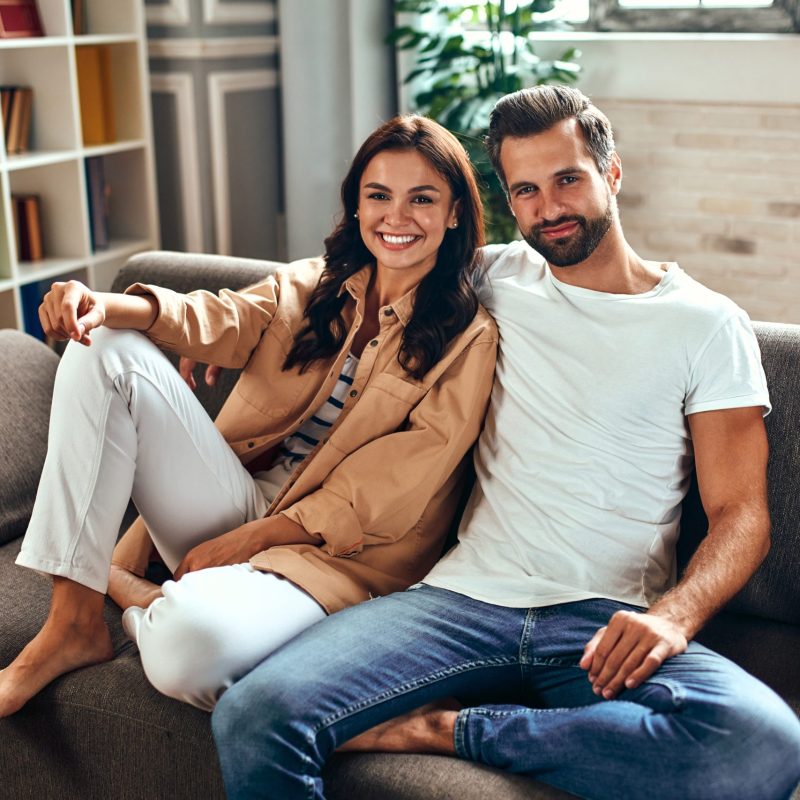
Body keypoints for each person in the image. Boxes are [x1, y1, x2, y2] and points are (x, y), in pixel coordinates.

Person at [209, 86, 800, 800]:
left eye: (567, 179)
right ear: (506, 200)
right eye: (525, 190)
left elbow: (742, 517)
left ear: (612, 173)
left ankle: (450, 730)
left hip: (597, 620)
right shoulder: (486, 278)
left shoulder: (706, 325)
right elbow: (347, 282)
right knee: (253, 715)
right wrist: (223, 336)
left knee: (761, 742)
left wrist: (671, 617)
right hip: (456, 602)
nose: (548, 207)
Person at [0, 115, 498, 717]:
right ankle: (73, 622)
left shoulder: (469, 339)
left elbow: (387, 491)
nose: (397, 217)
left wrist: (248, 540)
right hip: (237, 499)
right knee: (101, 344)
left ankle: (126, 588)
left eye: (422, 199)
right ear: (356, 206)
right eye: (378, 196)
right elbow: (222, 317)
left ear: (453, 213)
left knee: (188, 656)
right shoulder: (317, 284)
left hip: (334, 559)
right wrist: (98, 302)